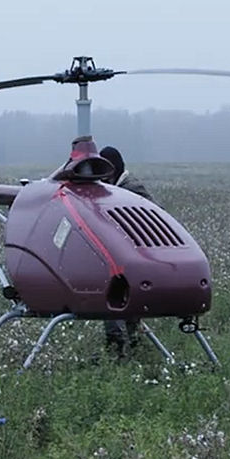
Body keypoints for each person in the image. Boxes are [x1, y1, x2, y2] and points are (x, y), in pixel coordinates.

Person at [99, 146, 153, 357]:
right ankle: (131, 346)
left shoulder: (131, 190)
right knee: (123, 301)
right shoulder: (118, 188)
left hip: (134, 257)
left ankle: (119, 348)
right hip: (125, 257)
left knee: (116, 300)